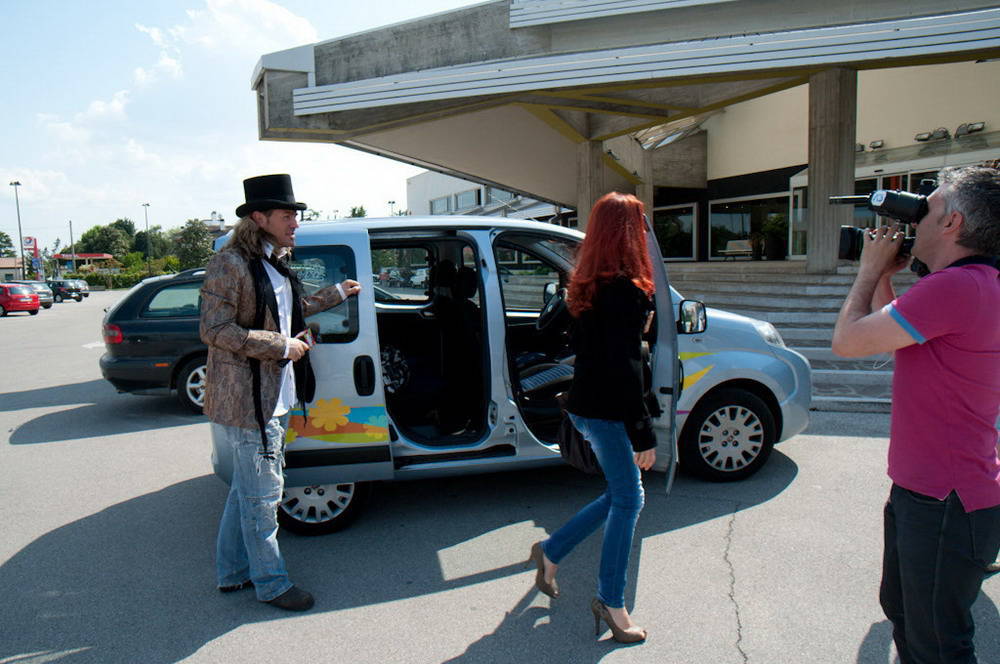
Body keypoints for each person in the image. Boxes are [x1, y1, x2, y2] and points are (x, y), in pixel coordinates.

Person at [831, 166, 1000, 663]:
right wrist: (886, 275)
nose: (915, 217)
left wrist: (868, 270)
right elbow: (891, 335)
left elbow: (848, 342)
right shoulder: (974, 283)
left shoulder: (958, 287)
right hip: (928, 491)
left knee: (938, 646)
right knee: (905, 615)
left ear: (952, 223)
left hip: (945, 499)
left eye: (928, 207)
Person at [201, 174, 361, 611]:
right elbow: (214, 329)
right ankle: (271, 584)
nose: (295, 223)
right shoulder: (230, 263)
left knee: (247, 491)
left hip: (277, 394)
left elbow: (289, 311)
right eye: (287, 215)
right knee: (264, 497)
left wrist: (335, 293)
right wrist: (280, 346)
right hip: (249, 401)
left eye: (295, 214)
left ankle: (232, 572)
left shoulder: (274, 261)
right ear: (260, 218)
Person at [529, 191, 657, 644]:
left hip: (584, 406)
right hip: (606, 412)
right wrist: (643, 432)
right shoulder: (626, 291)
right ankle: (611, 602)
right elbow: (625, 367)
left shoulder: (584, 285)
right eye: (640, 224)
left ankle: (551, 550)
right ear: (628, 233)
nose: (645, 232)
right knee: (629, 499)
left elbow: (591, 348)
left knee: (623, 494)